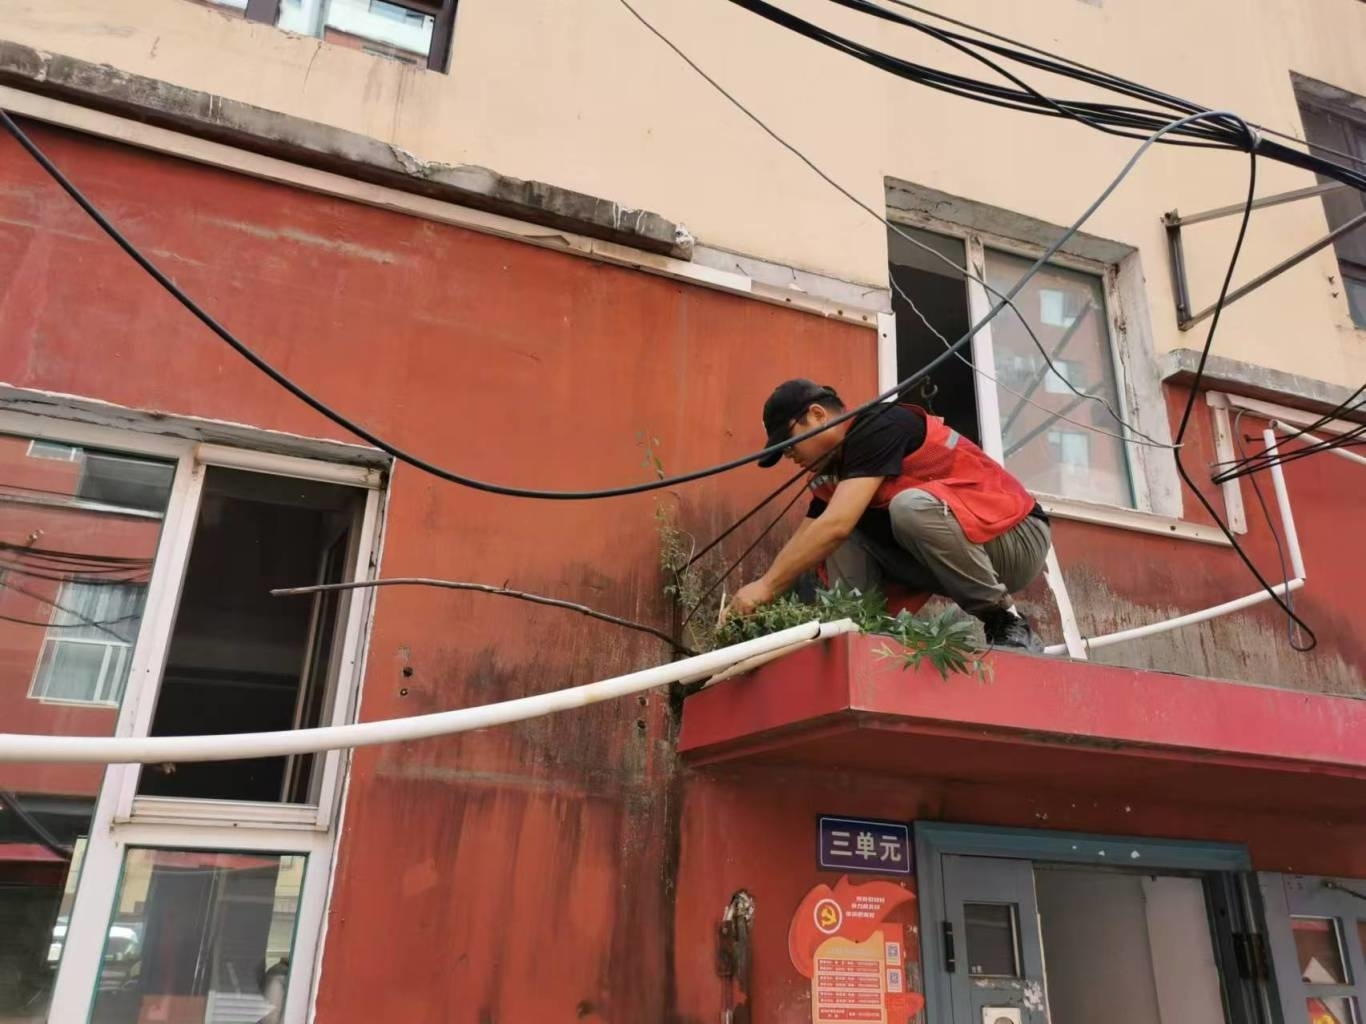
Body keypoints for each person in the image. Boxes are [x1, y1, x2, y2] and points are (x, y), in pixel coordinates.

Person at [726, 379, 1051, 650]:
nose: (790, 457)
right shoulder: (834, 478)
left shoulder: (875, 426)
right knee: (833, 540)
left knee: (902, 509)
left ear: (817, 415)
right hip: (963, 555)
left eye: (789, 445)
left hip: (1016, 538)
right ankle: (860, 637)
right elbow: (812, 536)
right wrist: (757, 595)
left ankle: (1005, 620)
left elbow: (835, 525)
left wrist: (765, 588)